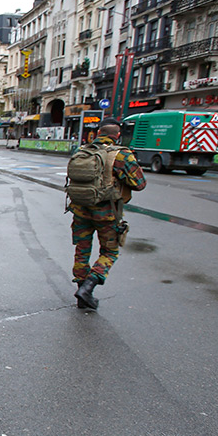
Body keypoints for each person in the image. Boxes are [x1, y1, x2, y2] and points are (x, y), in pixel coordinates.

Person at [71, 119, 147, 310]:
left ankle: (82, 294)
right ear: (117, 135)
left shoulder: (81, 151)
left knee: (82, 250)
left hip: (80, 209)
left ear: (98, 132)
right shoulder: (121, 155)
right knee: (110, 251)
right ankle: (89, 286)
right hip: (106, 213)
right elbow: (140, 184)